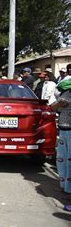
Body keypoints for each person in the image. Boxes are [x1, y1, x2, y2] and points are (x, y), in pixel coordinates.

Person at [50, 66, 71, 194]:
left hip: (68, 130)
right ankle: (64, 186)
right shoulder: (66, 93)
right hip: (64, 129)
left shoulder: (67, 94)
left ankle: (67, 188)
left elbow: (55, 106)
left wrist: (52, 106)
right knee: (63, 159)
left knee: (67, 161)